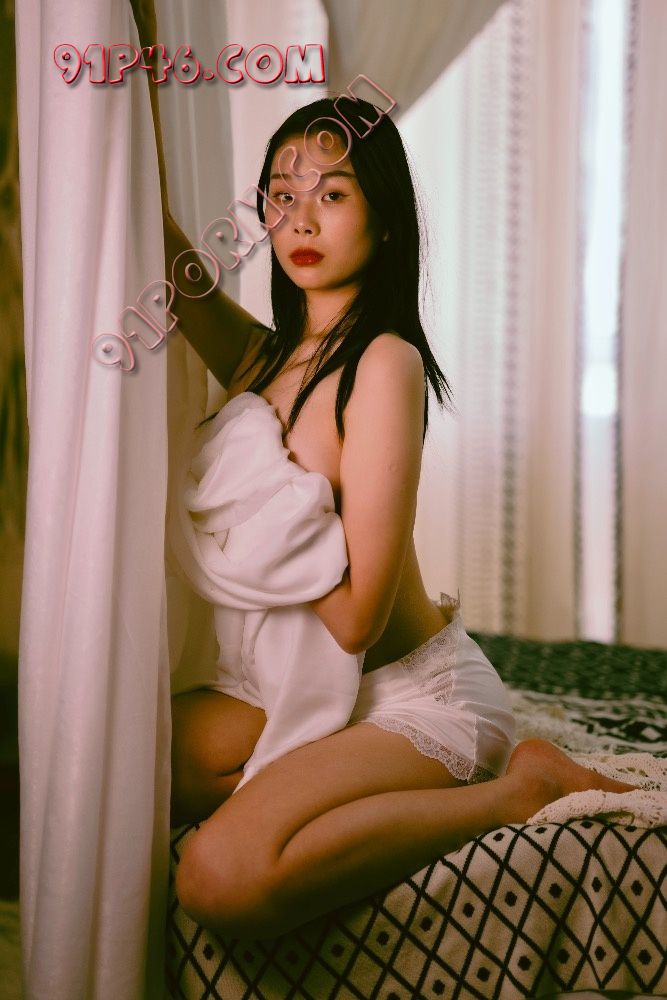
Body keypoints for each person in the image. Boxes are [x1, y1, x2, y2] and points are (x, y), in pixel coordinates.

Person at [130, 8, 637, 941]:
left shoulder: (384, 363)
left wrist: (269, 520)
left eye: (333, 193)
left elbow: (358, 617)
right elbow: (160, 247)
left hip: (410, 695)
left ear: (385, 217)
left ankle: (513, 789)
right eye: (281, 195)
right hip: (299, 692)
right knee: (124, 762)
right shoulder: (266, 359)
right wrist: (126, 75)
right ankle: (319, 800)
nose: (300, 218)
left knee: (220, 877)